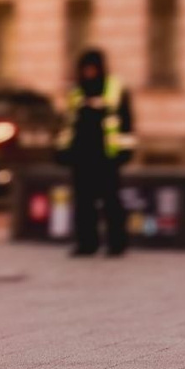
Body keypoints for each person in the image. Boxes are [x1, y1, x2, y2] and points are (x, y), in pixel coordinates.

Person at [62, 45, 134, 257]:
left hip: (107, 156)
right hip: (81, 155)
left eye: (92, 68)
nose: (88, 73)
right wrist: (63, 150)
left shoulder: (115, 89)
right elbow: (67, 124)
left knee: (111, 202)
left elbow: (126, 123)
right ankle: (86, 243)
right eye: (85, 69)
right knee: (84, 203)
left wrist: (125, 151)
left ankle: (116, 244)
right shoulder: (75, 93)